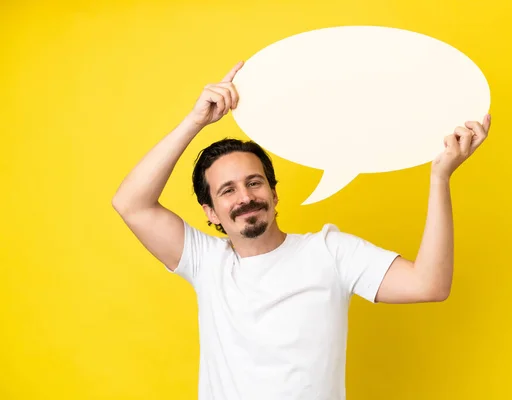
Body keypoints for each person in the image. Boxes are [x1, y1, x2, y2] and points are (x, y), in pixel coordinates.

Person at [112, 60, 491, 400]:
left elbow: (429, 285)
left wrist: (440, 177)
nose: (245, 196)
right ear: (211, 212)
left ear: (274, 194)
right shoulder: (206, 262)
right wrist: (195, 121)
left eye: (254, 182)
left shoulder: (330, 251)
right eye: (228, 190)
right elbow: (130, 203)